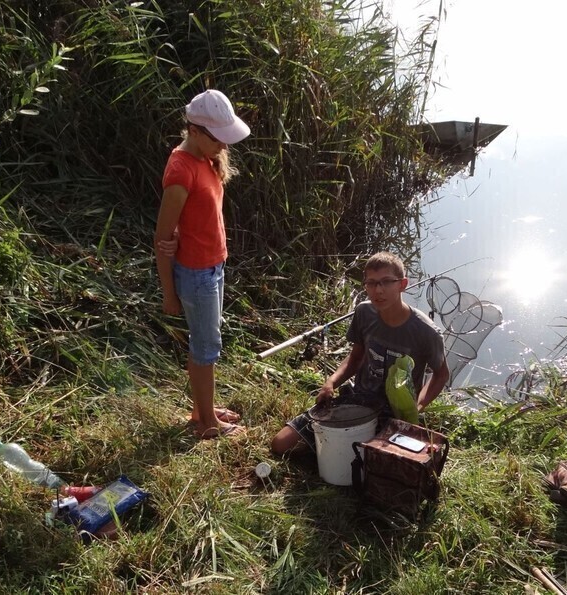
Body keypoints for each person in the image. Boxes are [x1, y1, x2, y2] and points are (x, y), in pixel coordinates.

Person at [271, 251, 450, 455]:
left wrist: (416, 408)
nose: (378, 290)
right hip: (359, 399)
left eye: (386, 282)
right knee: (281, 443)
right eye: (371, 283)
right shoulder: (364, 312)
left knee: (372, 463)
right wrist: (331, 383)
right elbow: (356, 357)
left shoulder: (426, 331)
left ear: (402, 284)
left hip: (393, 412)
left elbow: (441, 375)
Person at [155, 89, 250, 439]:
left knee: (206, 342)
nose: (224, 145)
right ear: (194, 131)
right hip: (196, 274)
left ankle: (202, 409)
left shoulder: (206, 158)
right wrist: (169, 293)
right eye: (217, 138)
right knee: (206, 347)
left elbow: (192, 218)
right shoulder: (181, 170)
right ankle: (207, 423)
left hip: (213, 267)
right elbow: (161, 238)